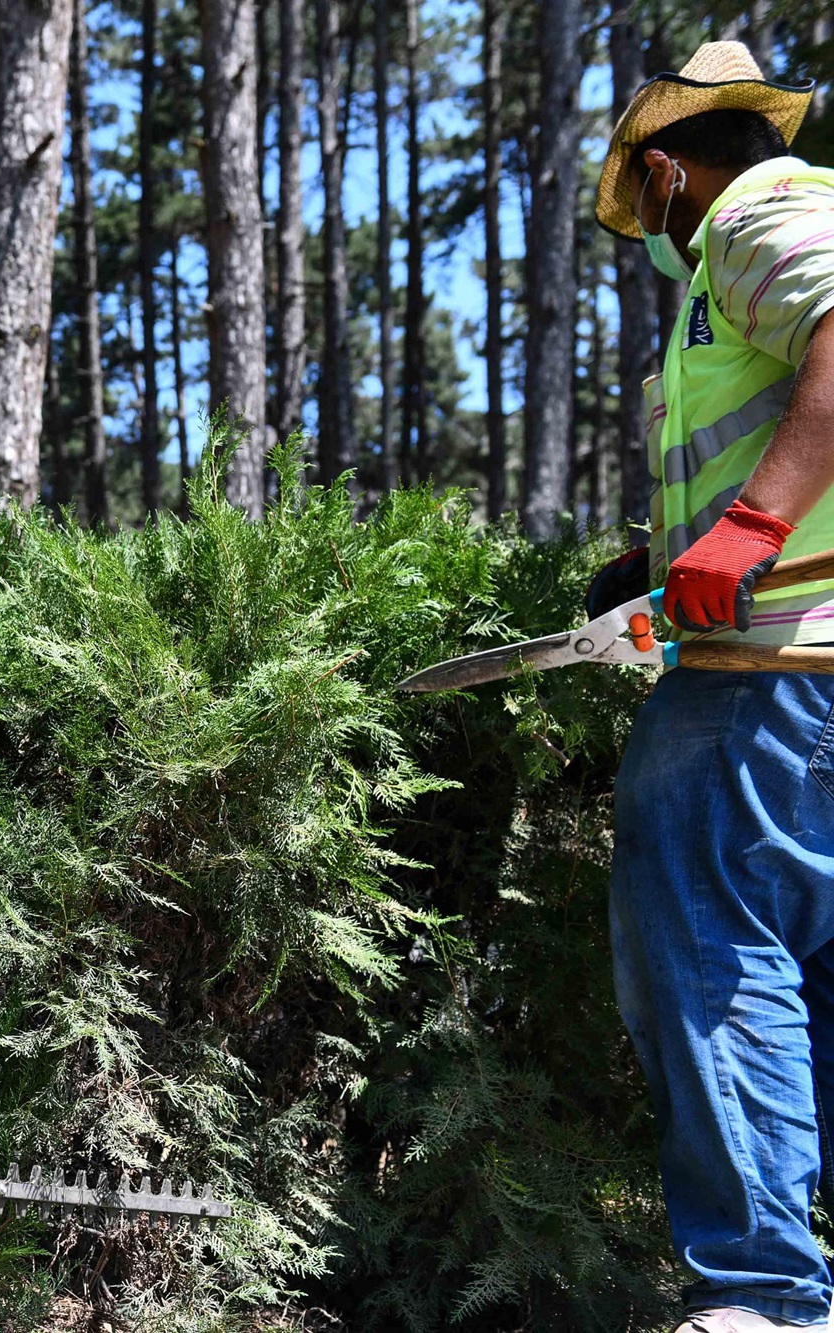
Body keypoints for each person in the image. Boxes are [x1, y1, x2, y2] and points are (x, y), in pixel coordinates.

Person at [592, 40, 834, 1333]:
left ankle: (768, 1295)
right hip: (813, 654)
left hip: (777, 660)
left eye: (648, 205)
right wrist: (659, 557)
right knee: (815, 964)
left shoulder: (759, 213)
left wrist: (749, 530)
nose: (656, 232)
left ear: (670, 168)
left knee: (707, 927)